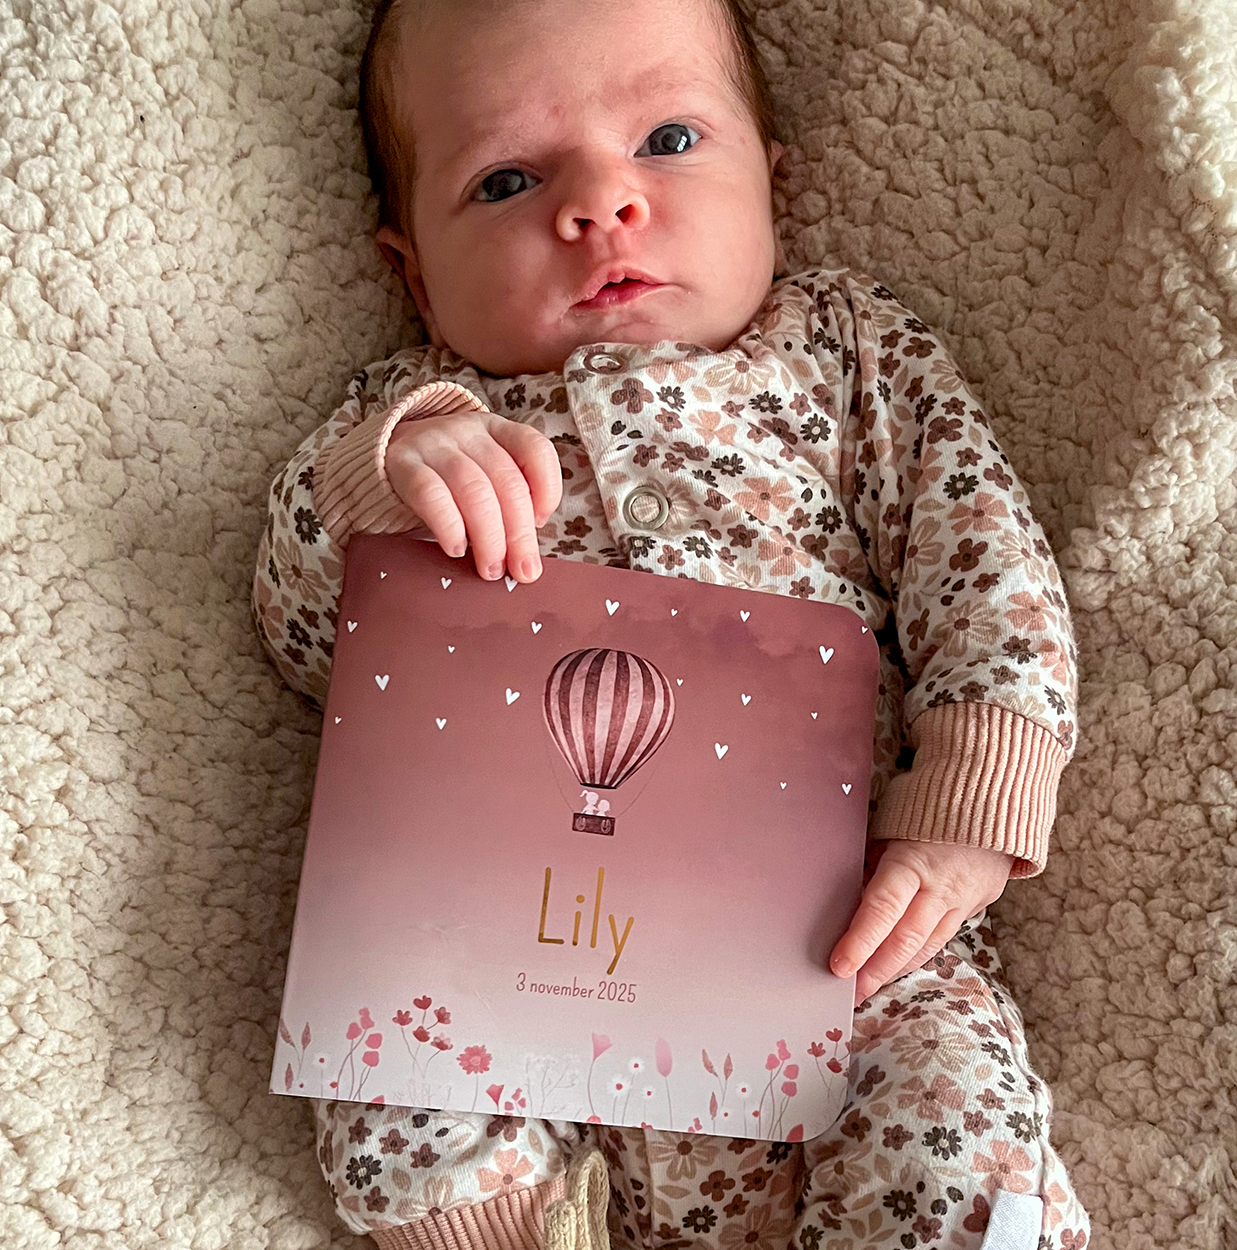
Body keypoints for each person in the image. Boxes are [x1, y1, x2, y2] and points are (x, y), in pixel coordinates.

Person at [253, 0, 1090, 1246]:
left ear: (775, 184)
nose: (598, 204)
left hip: (829, 931)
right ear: (412, 271)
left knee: (951, 1101)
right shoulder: (411, 417)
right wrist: (395, 478)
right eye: (506, 177)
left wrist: (969, 809)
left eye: (668, 138)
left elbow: (984, 563)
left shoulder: (843, 355)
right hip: (503, 931)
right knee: (391, 1034)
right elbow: (302, 635)